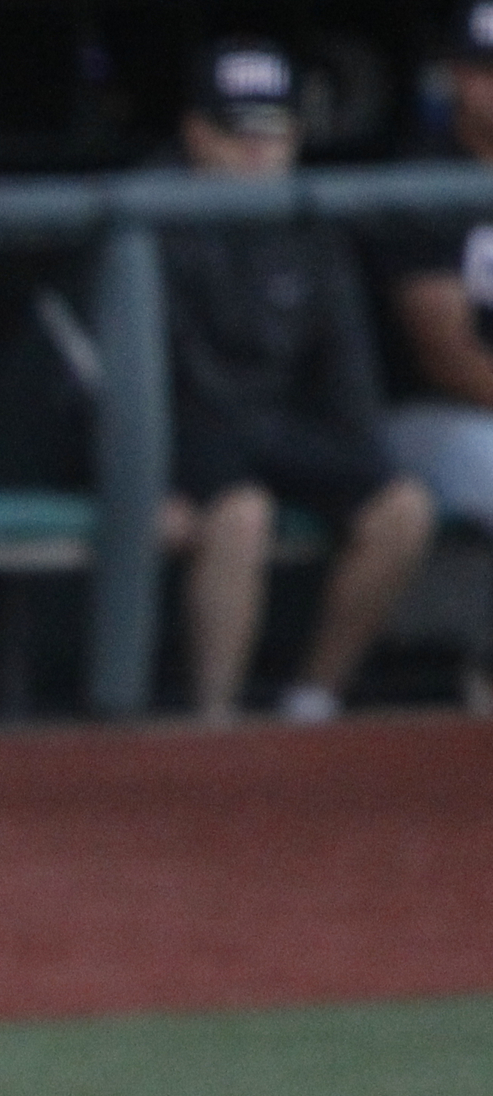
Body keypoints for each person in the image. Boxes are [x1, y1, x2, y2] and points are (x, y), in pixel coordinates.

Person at [160, 35, 433, 723]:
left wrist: (359, 458)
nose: (257, 150)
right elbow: (101, 389)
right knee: (243, 513)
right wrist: (145, 483)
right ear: (196, 133)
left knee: (402, 508)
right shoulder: (150, 216)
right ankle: (215, 721)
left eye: (273, 131)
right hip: (190, 443)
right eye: (236, 133)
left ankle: (311, 703)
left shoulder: (310, 222)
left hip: (279, 433)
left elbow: (348, 381)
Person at [370, 5, 493, 592]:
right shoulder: (423, 173)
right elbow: (449, 358)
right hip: (427, 414)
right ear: (457, 77)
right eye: (485, 69)